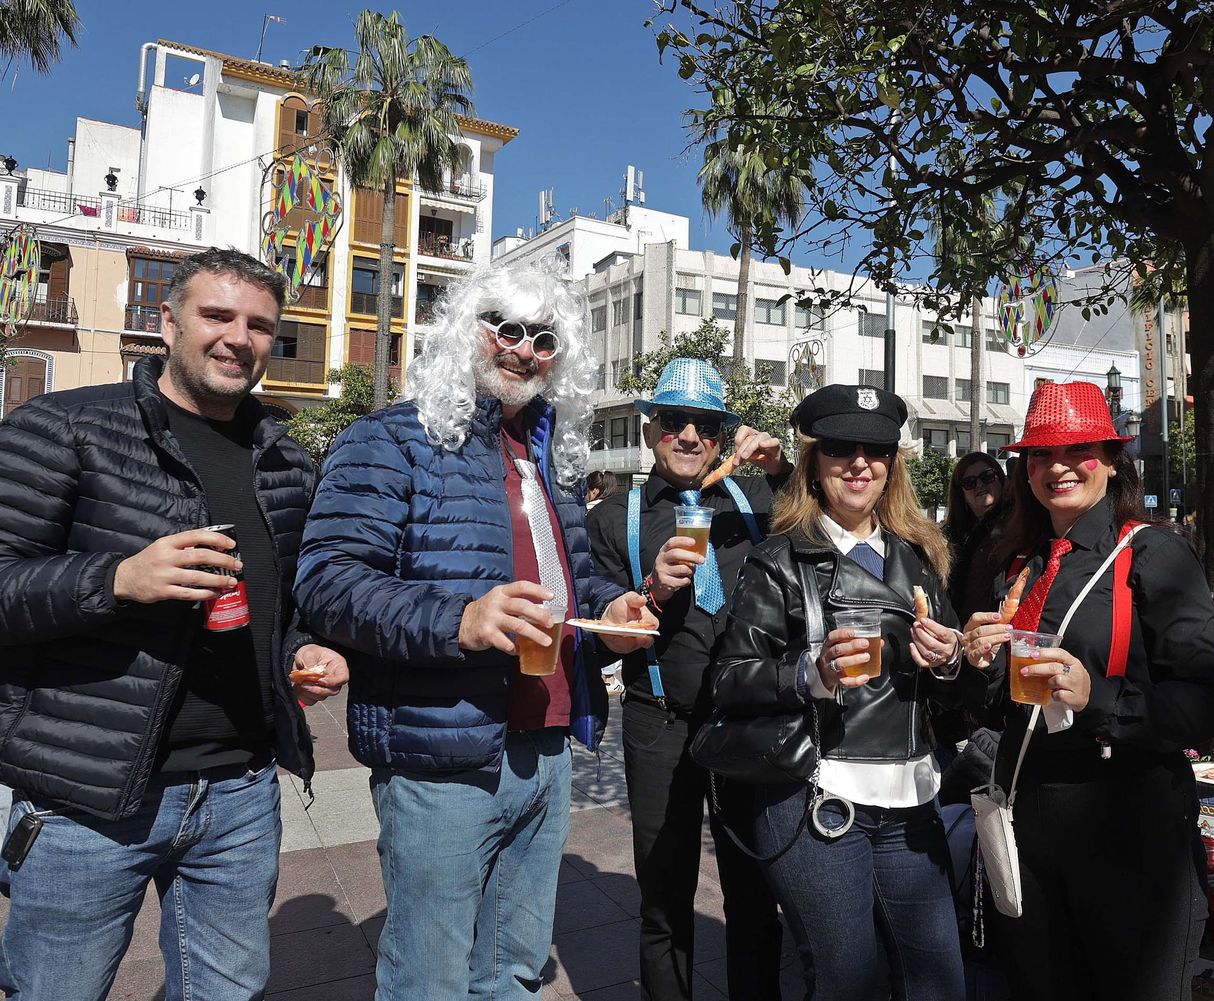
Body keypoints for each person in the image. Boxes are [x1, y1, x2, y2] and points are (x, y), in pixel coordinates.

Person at [293, 254, 656, 1001]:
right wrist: (458, 620)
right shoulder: (391, 439)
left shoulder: (550, 457)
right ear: (470, 332)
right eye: (507, 328)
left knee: (515, 968)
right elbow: (327, 580)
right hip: (441, 753)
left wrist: (610, 609)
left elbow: (566, 581)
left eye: (544, 337)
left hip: (547, 746)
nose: (524, 349)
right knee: (429, 975)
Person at [0, 247, 349, 1000]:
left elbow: (281, 605)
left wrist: (303, 651)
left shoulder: (287, 460)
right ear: (167, 322)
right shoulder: (64, 427)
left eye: (260, 325)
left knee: (228, 991)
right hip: (85, 798)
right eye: (216, 315)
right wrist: (118, 578)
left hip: (241, 790)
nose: (238, 338)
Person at [961, 381, 1214, 1000]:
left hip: (1125, 824)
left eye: (1077, 449)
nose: (1056, 466)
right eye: (1038, 455)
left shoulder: (1153, 553)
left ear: (1111, 460)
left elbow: (1207, 702)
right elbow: (997, 706)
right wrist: (972, 663)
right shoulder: (1020, 562)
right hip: (1025, 820)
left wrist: (1099, 697)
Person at [713, 383, 972, 1001]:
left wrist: (954, 660)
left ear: (892, 467)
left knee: (939, 981)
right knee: (843, 981)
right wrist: (812, 672)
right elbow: (728, 679)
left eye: (876, 450)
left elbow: (952, 693)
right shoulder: (778, 560)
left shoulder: (923, 558)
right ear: (814, 462)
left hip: (913, 801)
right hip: (818, 800)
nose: (859, 463)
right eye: (839, 449)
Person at [586, 357, 788, 1001]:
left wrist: (780, 464)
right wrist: (650, 588)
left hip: (744, 718)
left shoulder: (755, 500)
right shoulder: (614, 516)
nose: (690, 437)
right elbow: (602, 627)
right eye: (675, 422)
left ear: (723, 434)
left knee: (754, 889)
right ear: (651, 430)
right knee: (664, 893)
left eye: (705, 424)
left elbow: (825, 511)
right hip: (658, 719)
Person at [943, 451, 1008, 624]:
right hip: (960, 635)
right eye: (969, 482)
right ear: (961, 494)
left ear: (1001, 480)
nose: (979, 485)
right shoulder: (949, 539)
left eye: (987, 476)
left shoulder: (1019, 527)